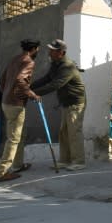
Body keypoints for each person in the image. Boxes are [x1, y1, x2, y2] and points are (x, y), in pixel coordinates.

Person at [31, 39, 87, 171]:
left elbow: (55, 85)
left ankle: (79, 161)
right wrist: (30, 87)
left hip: (75, 103)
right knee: (64, 132)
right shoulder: (55, 64)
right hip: (66, 102)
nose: (49, 53)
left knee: (74, 132)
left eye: (52, 50)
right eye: (50, 50)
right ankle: (65, 160)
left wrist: (33, 93)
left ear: (61, 52)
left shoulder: (67, 66)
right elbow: (47, 79)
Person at [0, 39, 42, 182]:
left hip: (6, 102)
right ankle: (2, 172)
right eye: (38, 49)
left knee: (20, 135)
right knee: (14, 139)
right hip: (16, 104)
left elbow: (2, 80)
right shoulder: (29, 62)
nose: (38, 52)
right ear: (33, 49)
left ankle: (18, 164)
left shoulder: (14, 60)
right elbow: (20, 80)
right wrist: (33, 95)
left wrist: (7, 94)